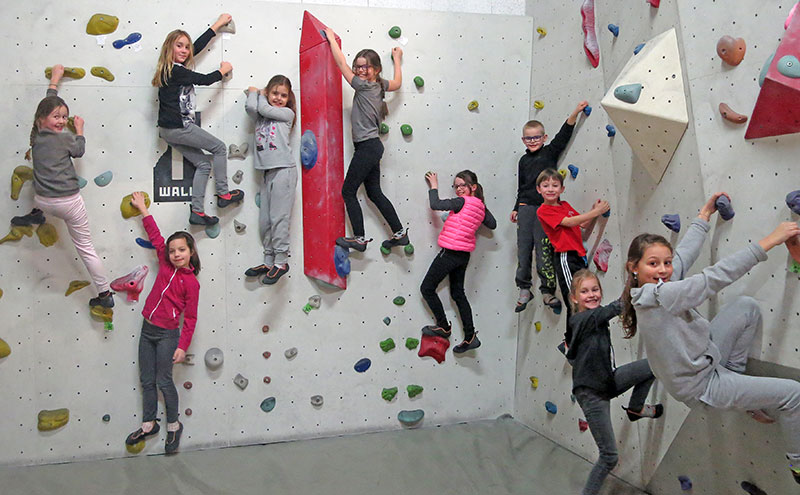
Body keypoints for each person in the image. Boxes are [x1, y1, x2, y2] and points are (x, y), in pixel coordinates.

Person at [621, 192, 800, 485]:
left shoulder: (657, 284)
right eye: (653, 264)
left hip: (707, 359)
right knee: (794, 394)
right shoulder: (660, 295)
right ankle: (798, 465)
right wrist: (771, 240)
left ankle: (743, 393)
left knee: (747, 308)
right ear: (633, 267)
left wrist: (704, 216)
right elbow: (713, 278)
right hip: (703, 386)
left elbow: (683, 256)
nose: (664, 270)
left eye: (664, 263)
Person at [567, 269, 663, 495]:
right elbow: (617, 306)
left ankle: (636, 408)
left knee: (654, 365)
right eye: (584, 291)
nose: (591, 295)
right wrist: (635, 276)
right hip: (591, 394)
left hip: (607, 381)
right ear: (574, 298)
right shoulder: (580, 319)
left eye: (595, 289)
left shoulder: (594, 321)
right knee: (609, 457)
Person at [30, 64, 113, 308]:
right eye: (57, 117)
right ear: (42, 119)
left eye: (64, 117)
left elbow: (47, 105)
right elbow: (79, 151)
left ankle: (36, 213)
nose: (61, 120)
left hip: (44, 200)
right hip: (68, 203)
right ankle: (105, 294)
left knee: (37, 197)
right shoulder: (66, 137)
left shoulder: (35, 137)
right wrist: (79, 130)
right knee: (86, 249)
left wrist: (55, 80)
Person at [124, 191, 200, 455]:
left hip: (168, 335)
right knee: (146, 379)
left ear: (191, 252)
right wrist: (144, 209)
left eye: (182, 250)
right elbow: (156, 237)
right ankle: (148, 424)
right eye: (173, 250)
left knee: (164, 381)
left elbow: (190, 318)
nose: (176, 254)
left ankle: (173, 425)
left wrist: (182, 346)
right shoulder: (165, 265)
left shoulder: (191, 282)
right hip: (148, 330)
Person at [152, 14, 243, 226]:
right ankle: (223, 195)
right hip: (179, 127)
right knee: (219, 148)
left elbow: (196, 48)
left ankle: (197, 212)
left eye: (186, 47)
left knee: (203, 164)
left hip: (168, 130)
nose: (184, 51)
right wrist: (223, 70)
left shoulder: (171, 69)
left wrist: (216, 26)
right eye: (179, 46)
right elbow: (204, 79)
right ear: (169, 49)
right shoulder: (175, 71)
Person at [323, 27, 408, 253]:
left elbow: (341, 64)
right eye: (358, 66)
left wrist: (332, 38)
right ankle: (400, 233)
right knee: (374, 192)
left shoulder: (363, 86)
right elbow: (398, 82)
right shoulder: (380, 86)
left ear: (375, 69)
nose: (360, 70)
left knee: (348, 192)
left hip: (368, 147)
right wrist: (397, 59)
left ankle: (359, 238)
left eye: (365, 66)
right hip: (371, 147)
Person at [512, 101, 588, 314]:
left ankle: (547, 291)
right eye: (529, 138)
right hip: (527, 208)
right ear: (523, 140)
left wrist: (576, 110)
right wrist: (517, 207)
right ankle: (524, 288)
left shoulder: (550, 152)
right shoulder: (523, 160)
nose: (533, 141)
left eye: (537, 137)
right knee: (524, 249)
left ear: (544, 138)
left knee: (544, 251)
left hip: (545, 211)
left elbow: (564, 134)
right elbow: (522, 186)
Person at [420, 170, 496, 353]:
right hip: (463, 255)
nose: (459, 189)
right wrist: (480, 204)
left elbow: (436, 204)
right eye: (456, 186)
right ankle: (470, 337)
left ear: (473, 187)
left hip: (451, 252)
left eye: (463, 185)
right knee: (458, 294)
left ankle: (443, 326)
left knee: (426, 288)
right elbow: (492, 224)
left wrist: (434, 186)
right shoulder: (480, 206)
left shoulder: (461, 202)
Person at [536, 168, 609, 346]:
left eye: (555, 185)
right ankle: (571, 342)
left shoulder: (565, 206)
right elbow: (569, 222)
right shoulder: (543, 210)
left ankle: (576, 338)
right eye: (546, 186)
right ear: (539, 189)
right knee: (574, 299)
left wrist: (593, 211)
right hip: (565, 258)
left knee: (583, 296)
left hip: (578, 256)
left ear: (562, 189)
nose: (551, 189)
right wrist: (596, 212)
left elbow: (582, 223)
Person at [243, 75, 297, 284]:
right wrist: (256, 94)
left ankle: (281, 261)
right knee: (265, 221)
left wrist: (258, 93)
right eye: (275, 93)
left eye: (283, 95)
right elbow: (250, 108)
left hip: (284, 170)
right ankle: (268, 261)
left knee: (279, 219)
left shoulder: (286, 113)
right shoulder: (261, 116)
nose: (278, 98)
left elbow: (262, 107)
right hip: (267, 172)